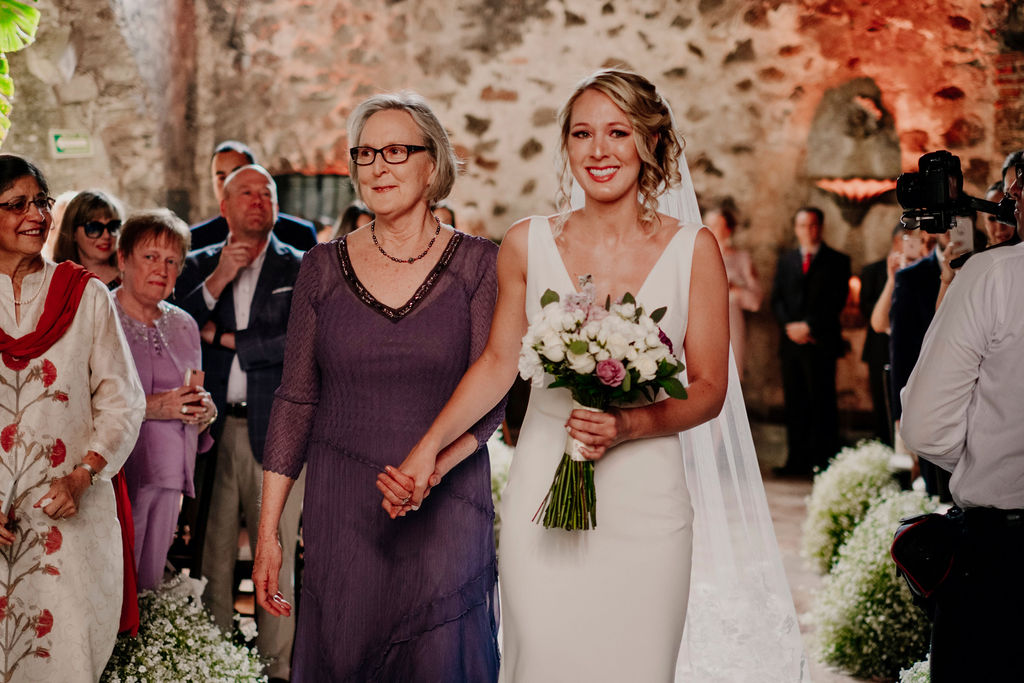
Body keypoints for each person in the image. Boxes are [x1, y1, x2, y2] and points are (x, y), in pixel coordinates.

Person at [380, 69, 806, 681]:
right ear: (567, 146)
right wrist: (426, 452)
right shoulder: (527, 244)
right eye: (582, 134)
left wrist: (631, 424)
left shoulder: (696, 250)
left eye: (617, 132)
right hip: (542, 500)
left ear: (650, 142)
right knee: (542, 662)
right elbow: (499, 363)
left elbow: (710, 388)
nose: (598, 150)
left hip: (647, 505)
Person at [252, 91, 503, 682]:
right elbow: (294, 401)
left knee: (439, 661)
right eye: (365, 154)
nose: (379, 167)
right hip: (344, 509)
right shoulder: (319, 266)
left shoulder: (478, 265)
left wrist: (430, 471)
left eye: (396, 150)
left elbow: (493, 398)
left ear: (432, 163)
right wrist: (269, 534)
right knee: (345, 655)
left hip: (447, 506)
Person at [0, 154, 145, 681]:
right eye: (16, 204)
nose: (35, 214)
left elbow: (123, 399)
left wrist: (85, 473)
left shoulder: (84, 297)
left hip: (68, 510)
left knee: (63, 653)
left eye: (40, 201)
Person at [174, 164, 304, 681]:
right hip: (212, 431)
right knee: (215, 550)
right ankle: (216, 660)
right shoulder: (198, 264)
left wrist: (228, 341)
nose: (257, 200)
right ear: (223, 207)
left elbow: (300, 344)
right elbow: (167, 323)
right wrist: (219, 279)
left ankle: (277, 666)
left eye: (266, 193)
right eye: (244, 192)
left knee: (276, 551)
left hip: (278, 431)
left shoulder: (301, 267)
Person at [899, 176, 1024, 682]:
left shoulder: (995, 276)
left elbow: (926, 428)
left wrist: (984, 456)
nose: (1012, 198)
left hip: (1005, 558)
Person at [115, 209, 216, 591]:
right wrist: (157, 406)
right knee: (116, 584)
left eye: (172, 260)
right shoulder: (100, 317)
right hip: (118, 474)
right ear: (122, 259)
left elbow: (191, 395)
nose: (162, 268)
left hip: (171, 474)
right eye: (151, 256)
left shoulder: (186, 324)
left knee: (150, 584)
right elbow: (86, 402)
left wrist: (206, 411)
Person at [770, 206, 850, 476]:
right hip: (791, 343)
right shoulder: (786, 260)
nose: (808, 231)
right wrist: (790, 326)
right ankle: (796, 462)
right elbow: (777, 299)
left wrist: (809, 326)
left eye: (813, 225)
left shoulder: (838, 261)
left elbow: (836, 301)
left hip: (820, 341)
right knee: (795, 403)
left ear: (821, 227)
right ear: (796, 228)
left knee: (822, 401)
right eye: (803, 226)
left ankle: (824, 461)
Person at [190, 140, 318, 251]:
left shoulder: (300, 234)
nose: (229, 184)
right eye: (222, 178)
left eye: (237, 174)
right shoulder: (196, 239)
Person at [858, 225, 902, 445]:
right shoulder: (872, 271)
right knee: (881, 400)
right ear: (896, 242)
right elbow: (865, 308)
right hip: (879, 347)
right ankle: (883, 445)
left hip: (907, 347)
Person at [705, 206, 762, 377]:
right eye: (707, 225)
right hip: (702, 319)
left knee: (730, 374)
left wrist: (733, 287)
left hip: (730, 320)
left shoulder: (741, 258)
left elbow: (756, 300)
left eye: (715, 225)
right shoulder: (696, 255)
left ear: (728, 229)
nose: (710, 230)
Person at [53, 189, 124, 287]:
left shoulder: (130, 278)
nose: (106, 236)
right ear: (73, 232)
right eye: (94, 228)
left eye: (113, 226)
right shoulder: (56, 281)